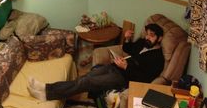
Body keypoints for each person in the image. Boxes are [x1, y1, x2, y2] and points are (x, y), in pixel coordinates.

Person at [27, 23, 165, 101]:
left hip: (123, 77)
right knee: (85, 77)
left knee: (86, 82)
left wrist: (127, 66)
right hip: (115, 67)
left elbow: (145, 79)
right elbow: (127, 48)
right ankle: (46, 88)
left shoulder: (157, 58)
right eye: (147, 34)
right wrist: (127, 38)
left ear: (159, 38)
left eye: (152, 36)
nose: (147, 37)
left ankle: (46, 93)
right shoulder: (143, 43)